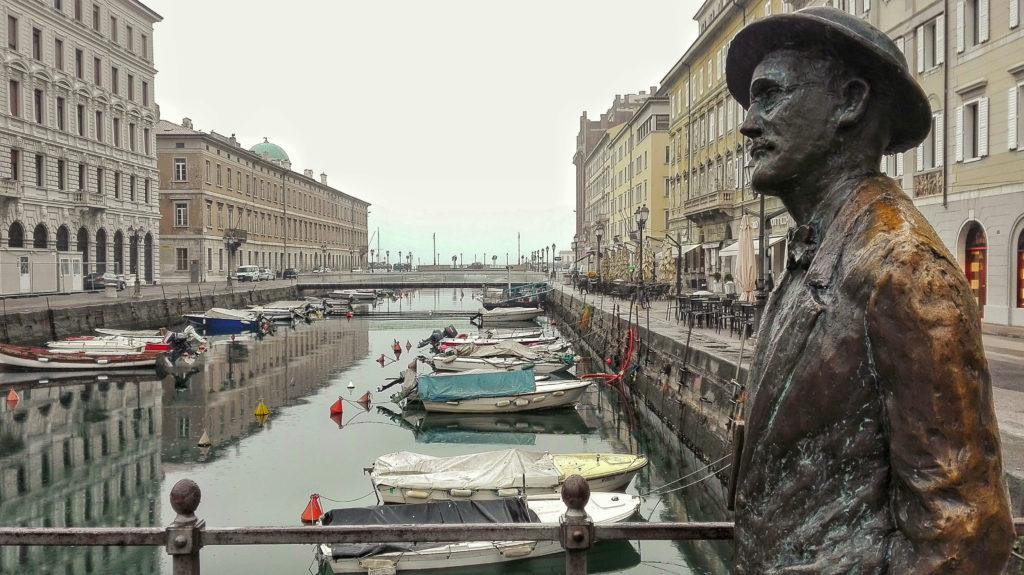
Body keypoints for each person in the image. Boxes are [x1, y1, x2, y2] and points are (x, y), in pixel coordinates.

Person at [726, 7, 1012, 573]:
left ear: (850, 102)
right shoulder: (820, 252)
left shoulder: (901, 270)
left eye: (769, 95)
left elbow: (961, 533)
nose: (748, 123)